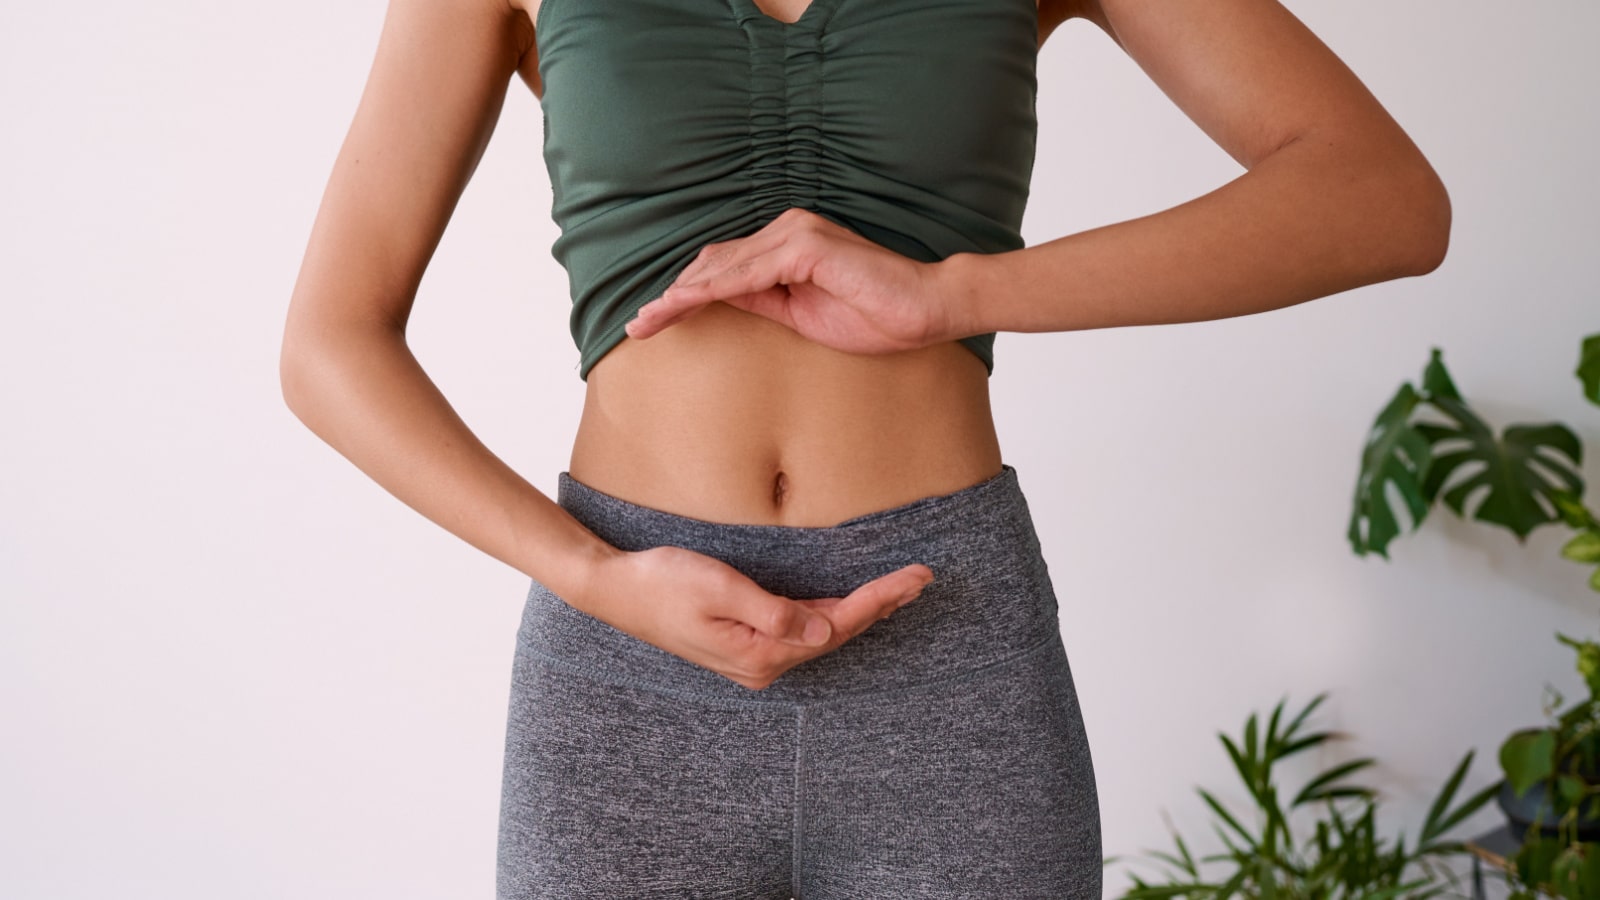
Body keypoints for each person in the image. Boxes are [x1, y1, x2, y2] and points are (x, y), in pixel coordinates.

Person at [279, 0, 1448, 896]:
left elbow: (1382, 198)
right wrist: (592, 579)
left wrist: (956, 294)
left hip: (949, 649)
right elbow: (329, 342)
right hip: (627, 672)